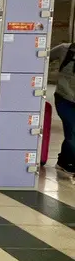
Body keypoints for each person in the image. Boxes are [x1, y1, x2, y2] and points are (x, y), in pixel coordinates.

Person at [50, 41, 75, 175]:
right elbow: (43, 58)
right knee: (72, 130)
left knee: (71, 132)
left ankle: (64, 162)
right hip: (64, 99)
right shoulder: (64, 49)